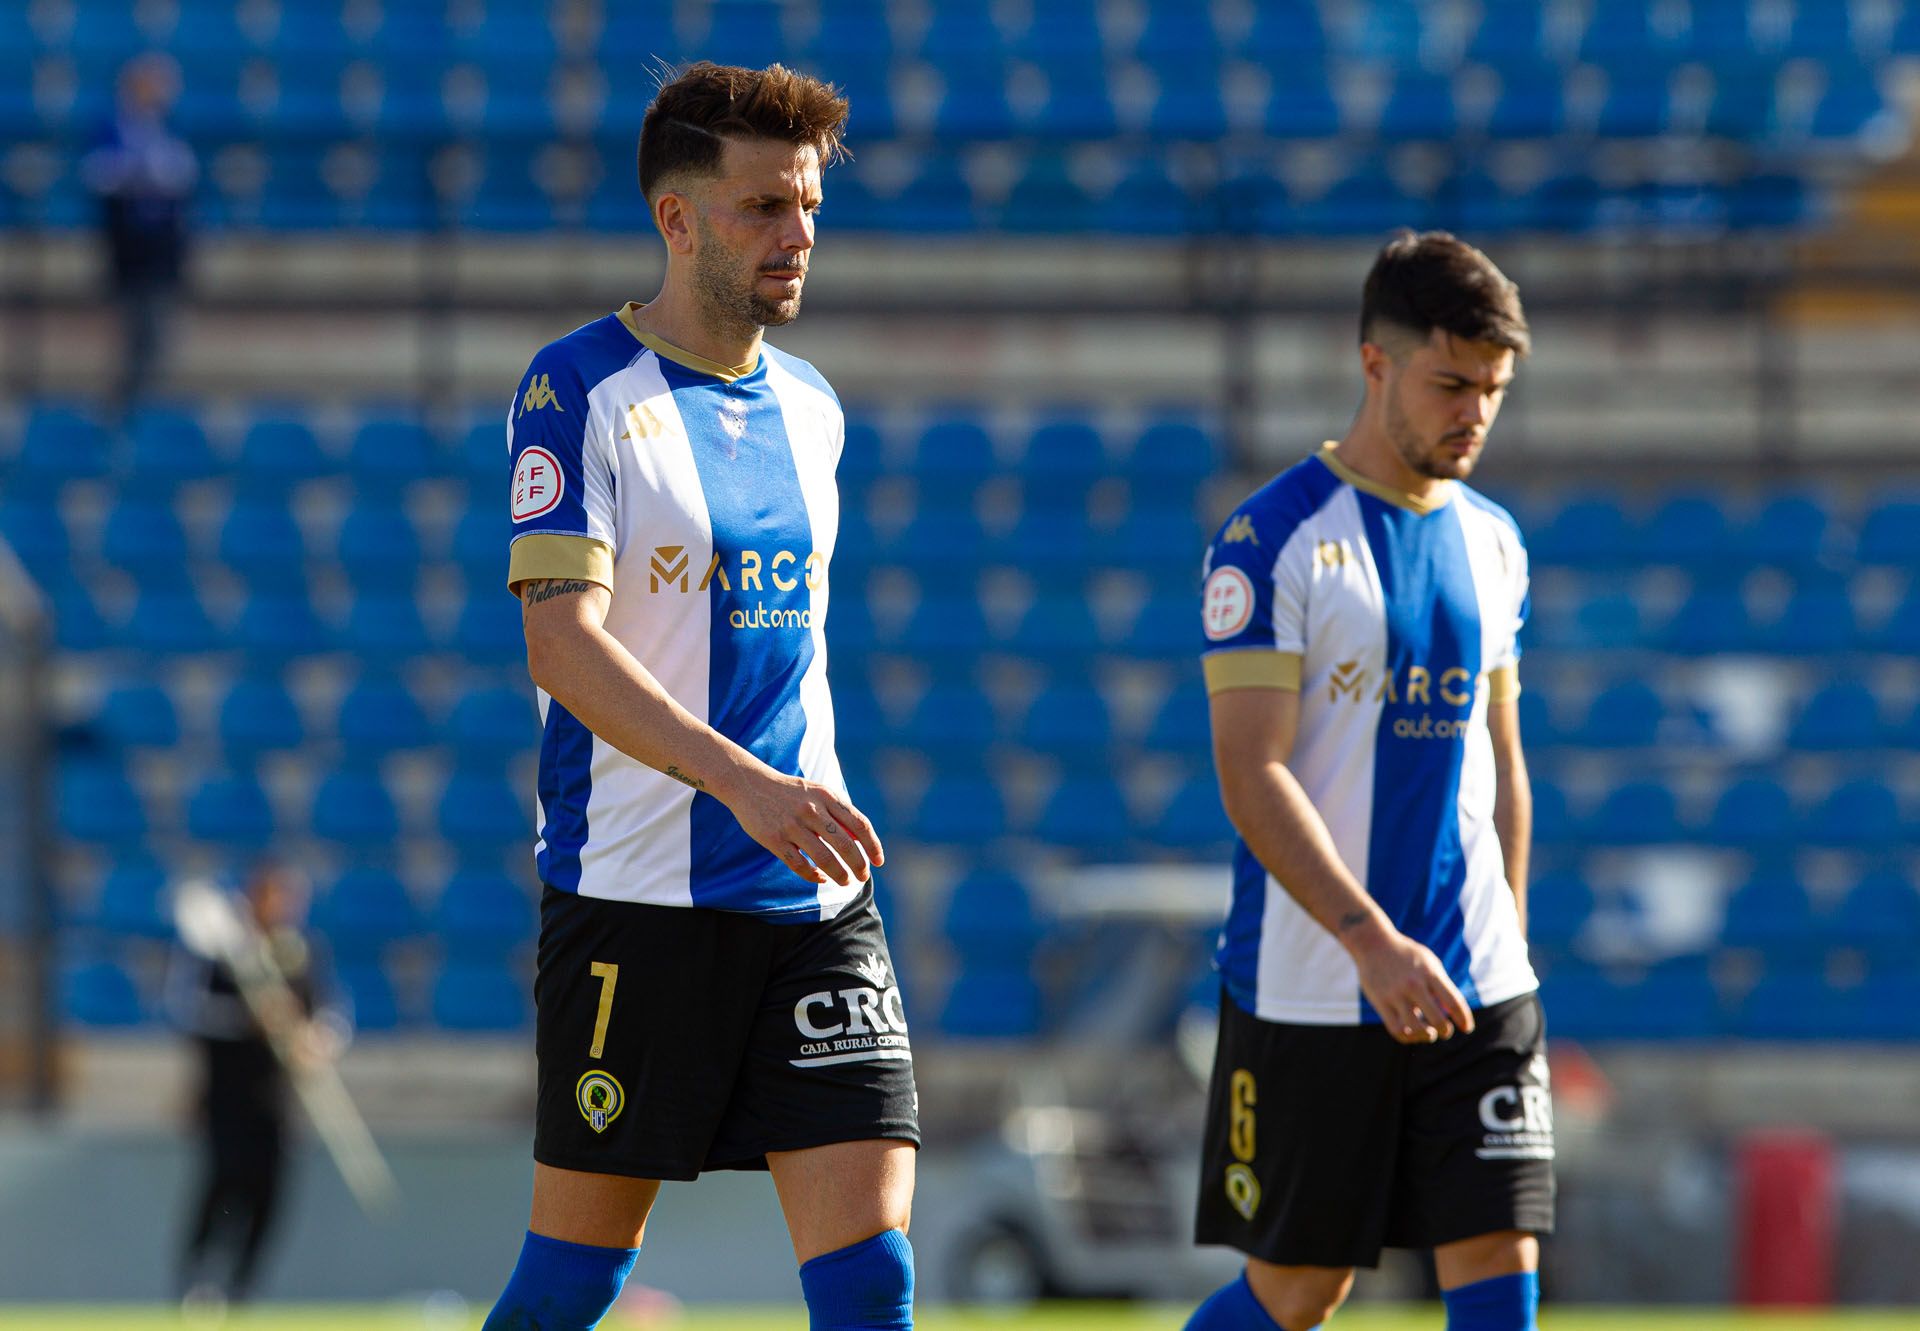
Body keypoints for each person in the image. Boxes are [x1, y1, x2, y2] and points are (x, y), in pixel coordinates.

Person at [482, 62, 916, 1331]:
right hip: (636, 897)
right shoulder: (576, 391)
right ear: (676, 219)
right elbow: (561, 647)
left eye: (809, 207)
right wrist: (742, 781)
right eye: (764, 207)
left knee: (872, 1273)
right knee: (573, 1280)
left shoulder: (816, 409)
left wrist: (787, 802)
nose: (798, 237)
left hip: (813, 899)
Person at [1183, 231, 1550, 1331]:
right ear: (1375, 362)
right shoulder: (1274, 539)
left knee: (1498, 1250)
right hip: (1316, 980)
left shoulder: (1494, 541)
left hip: (1476, 979)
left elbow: (1501, 764)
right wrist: (1370, 941)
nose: (1473, 412)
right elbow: (1251, 772)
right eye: (1451, 383)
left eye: (1492, 388)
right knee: (1303, 1286)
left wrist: (1510, 952)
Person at [166, 861, 346, 1307]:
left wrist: (317, 1039)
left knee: (270, 1192)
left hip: (276, 1101)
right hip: (226, 1096)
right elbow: (189, 1010)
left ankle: (242, 1286)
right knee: (225, 1179)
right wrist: (246, 1020)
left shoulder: (299, 953)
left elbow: (330, 1012)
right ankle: (197, 1278)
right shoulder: (222, 954)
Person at [80, 52, 197, 412]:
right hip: (128, 247)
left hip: (162, 248)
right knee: (132, 330)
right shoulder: (111, 130)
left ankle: (148, 404)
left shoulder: (170, 130)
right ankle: (125, 406)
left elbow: (183, 176)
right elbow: (100, 175)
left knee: (158, 332)